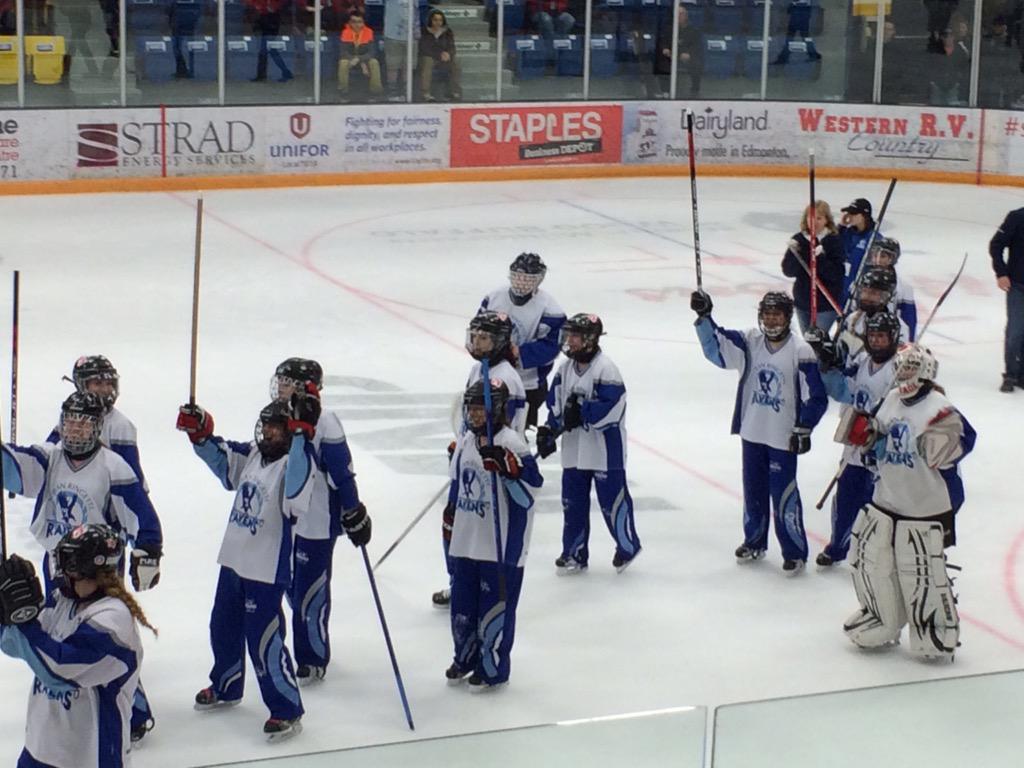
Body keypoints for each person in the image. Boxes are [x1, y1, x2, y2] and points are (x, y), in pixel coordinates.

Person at [176, 395, 320, 742]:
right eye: (265, 425)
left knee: (264, 640)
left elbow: (297, 490)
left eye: (276, 428)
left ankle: (286, 707)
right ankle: (226, 683)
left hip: (266, 569)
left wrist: (302, 436)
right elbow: (224, 458)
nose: (267, 433)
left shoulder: (296, 464)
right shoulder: (254, 454)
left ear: (289, 433)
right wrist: (200, 434)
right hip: (234, 560)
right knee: (222, 625)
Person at [840, 343, 976, 660]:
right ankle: (880, 617)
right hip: (886, 498)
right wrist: (869, 437)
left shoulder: (940, 408)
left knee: (920, 570)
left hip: (924, 505)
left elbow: (958, 444)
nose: (905, 373)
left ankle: (934, 628)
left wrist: (937, 444)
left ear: (927, 371)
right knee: (871, 559)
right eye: (901, 366)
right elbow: (875, 442)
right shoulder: (889, 399)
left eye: (912, 367)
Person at [691, 291, 827, 574]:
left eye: (777, 314)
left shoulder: (800, 350)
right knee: (753, 492)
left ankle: (794, 551)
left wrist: (804, 427)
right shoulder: (751, 341)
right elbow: (718, 349)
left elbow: (816, 397)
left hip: (783, 437)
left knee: (784, 496)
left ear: (787, 317)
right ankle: (754, 542)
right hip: (752, 432)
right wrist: (704, 318)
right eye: (767, 314)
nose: (771, 320)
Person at [0, 524, 157, 768]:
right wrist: (7, 615)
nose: (62, 572)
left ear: (85, 568)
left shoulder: (114, 620)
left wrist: (25, 621)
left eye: (68, 564)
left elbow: (58, 669)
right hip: (38, 750)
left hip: (89, 758)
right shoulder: (63, 602)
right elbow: (15, 645)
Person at [2, 391, 163, 600]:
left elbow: (138, 510)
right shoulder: (50, 457)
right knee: (56, 617)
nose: (76, 430)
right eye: (70, 423)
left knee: (99, 617)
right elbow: (17, 467)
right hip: (57, 561)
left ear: (97, 427)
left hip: (99, 565)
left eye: (84, 424)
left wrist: (148, 549)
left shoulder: (113, 466)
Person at [270, 358, 371, 685]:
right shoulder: (277, 416)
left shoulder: (326, 422)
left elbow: (342, 472)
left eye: (287, 382)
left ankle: (312, 656)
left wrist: (353, 510)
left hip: (317, 522)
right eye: (280, 381)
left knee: (310, 593)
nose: (280, 387)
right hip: (286, 520)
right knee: (288, 585)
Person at [445, 379, 542, 692]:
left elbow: (529, 495)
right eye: (470, 409)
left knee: (495, 609)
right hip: (467, 540)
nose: (473, 415)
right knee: (462, 608)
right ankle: (465, 657)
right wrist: (450, 515)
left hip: (501, 547)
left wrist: (510, 471)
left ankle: (492, 668)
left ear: (496, 409)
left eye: (479, 409)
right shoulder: (466, 440)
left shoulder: (512, 443)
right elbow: (457, 482)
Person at [433, 311, 527, 609]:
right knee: (453, 521)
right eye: (474, 336)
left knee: (481, 528)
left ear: (499, 341)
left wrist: (493, 455)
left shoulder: (507, 378)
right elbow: (471, 418)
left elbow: (508, 427)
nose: (476, 342)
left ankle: (476, 586)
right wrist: (463, 446)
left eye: (484, 337)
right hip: (470, 456)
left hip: (492, 465)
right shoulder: (478, 369)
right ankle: (458, 582)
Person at [536, 313, 642, 574]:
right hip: (574, 449)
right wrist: (549, 429)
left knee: (611, 503)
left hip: (605, 451)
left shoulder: (606, 369)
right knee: (572, 503)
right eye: (568, 334)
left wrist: (583, 412)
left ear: (591, 339)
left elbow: (613, 409)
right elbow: (555, 403)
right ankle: (574, 553)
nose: (569, 340)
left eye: (575, 335)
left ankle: (628, 546)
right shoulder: (564, 368)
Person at [810, 311, 901, 566]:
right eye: (872, 336)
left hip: (882, 451)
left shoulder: (899, 368)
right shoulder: (861, 361)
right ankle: (838, 546)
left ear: (893, 337)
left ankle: (874, 554)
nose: (876, 341)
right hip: (854, 446)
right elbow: (841, 388)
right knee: (845, 500)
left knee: (877, 507)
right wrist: (828, 364)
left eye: (882, 336)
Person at [480, 253, 566, 431]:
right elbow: (478, 330)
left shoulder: (550, 308)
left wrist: (520, 352)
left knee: (519, 433)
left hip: (529, 385)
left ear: (539, 280)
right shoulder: (494, 298)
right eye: (518, 277)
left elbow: (552, 347)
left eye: (527, 279)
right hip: (493, 376)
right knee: (488, 428)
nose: (521, 283)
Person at [47, 355, 150, 491]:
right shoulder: (72, 418)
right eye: (98, 383)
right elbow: (49, 456)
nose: (105, 389)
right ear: (81, 385)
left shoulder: (120, 425)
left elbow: (131, 475)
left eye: (109, 383)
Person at [781, 200, 845, 333]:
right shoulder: (800, 239)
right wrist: (793, 254)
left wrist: (820, 259)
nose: (814, 222)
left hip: (825, 304)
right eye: (811, 217)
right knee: (807, 341)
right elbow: (788, 271)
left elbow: (836, 275)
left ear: (827, 220)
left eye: (819, 218)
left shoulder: (833, 241)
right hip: (803, 302)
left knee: (817, 341)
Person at [989, 206, 1024, 392]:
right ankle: (1011, 373)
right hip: (1018, 285)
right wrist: (1001, 273)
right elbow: (996, 245)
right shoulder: (1017, 217)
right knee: (1015, 331)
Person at [864, 237, 918, 340]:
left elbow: (909, 321)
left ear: (892, 258)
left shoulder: (904, 288)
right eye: (875, 255)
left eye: (882, 256)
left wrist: (909, 342)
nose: (877, 260)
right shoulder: (862, 282)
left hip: (887, 340)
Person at [650, 5, 704, 98]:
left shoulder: (693, 31)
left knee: (696, 64)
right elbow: (663, 41)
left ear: (686, 16)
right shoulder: (669, 29)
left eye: (681, 14)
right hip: (671, 56)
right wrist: (665, 49)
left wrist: (689, 54)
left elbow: (697, 46)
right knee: (661, 62)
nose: (679, 16)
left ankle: (695, 89)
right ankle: (665, 91)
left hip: (686, 56)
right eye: (677, 14)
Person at [837, 197, 876, 303]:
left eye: (853, 213)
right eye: (849, 213)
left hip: (860, 291)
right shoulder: (845, 232)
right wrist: (841, 226)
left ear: (864, 216)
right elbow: (832, 245)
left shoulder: (874, 238)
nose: (849, 216)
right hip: (841, 287)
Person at [338, 11, 383, 100]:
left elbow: (372, 52)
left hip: (364, 59)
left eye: (359, 22)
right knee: (343, 63)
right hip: (350, 59)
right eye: (354, 22)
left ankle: (376, 91)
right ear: (350, 23)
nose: (357, 25)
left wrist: (360, 60)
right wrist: (354, 60)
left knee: (374, 62)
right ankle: (343, 90)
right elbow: (343, 52)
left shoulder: (368, 32)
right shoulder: (345, 32)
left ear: (363, 23)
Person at [419, 9, 462, 101]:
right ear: (430, 20)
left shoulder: (447, 31)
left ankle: (454, 92)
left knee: (455, 64)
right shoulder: (424, 31)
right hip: (430, 56)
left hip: (444, 58)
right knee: (428, 62)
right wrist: (439, 54)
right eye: (435, 20)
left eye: (440, 20)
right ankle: (426, 93)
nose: (438, 22)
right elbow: (424, 48)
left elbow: (452, 46)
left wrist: (448, 53)